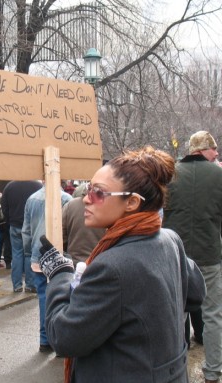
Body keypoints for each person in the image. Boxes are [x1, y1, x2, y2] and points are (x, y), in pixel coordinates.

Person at [40, 146, 206, 383]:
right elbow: (195, 296)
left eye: (98, 193)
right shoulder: (170, 239)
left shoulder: (111, 266)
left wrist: (59, 275)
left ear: (132, 203)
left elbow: (64, 338)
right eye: (88, 189)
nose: (86, 198)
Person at [163, 130, 222, 383]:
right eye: (214, 148)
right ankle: (213, 372)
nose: (217, 153)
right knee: (213, 314)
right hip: (209, 256)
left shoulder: (170, 175)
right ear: (203, 149)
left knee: (176, 313)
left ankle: (175, 372)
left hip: (175, 255)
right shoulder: (219, 176)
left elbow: (158, 214)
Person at [21, 184, 71, 353]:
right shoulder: (67, 200)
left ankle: (44, 339)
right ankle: (58, 338)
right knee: (63, 297)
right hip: (61, 258)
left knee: (43, 298)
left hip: (38, 255)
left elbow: (26, 231)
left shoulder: (31, 199)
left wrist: (29, 253)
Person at [1, 180, 42, 292]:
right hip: (30, 226)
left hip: (15, 225)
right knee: (29, 254)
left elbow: (3, 207)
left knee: (17, 254)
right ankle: (30, 285)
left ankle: (17, 285)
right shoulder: (37, 185)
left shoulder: (10, 186)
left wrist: (9, 221)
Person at [62, 184, 105, 265]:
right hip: (101, 263)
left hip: (74, 264)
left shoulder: (70, 206)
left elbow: (62, 238)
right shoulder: (109, 207)